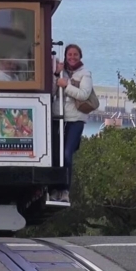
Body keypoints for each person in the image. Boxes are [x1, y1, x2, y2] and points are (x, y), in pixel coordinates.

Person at [51, 43, 92, 203]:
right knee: (55, 155)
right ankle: (54, 188)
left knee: (67, 155)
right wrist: (55, 75)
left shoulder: (85, 74)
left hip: (75, 119)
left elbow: (83, 94)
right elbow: (53, 92)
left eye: (75, 55)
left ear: (80, 56)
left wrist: (66, 85)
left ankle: (65, 190)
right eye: (69, 55)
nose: (72, 57)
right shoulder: (61, 72)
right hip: (58, 116)